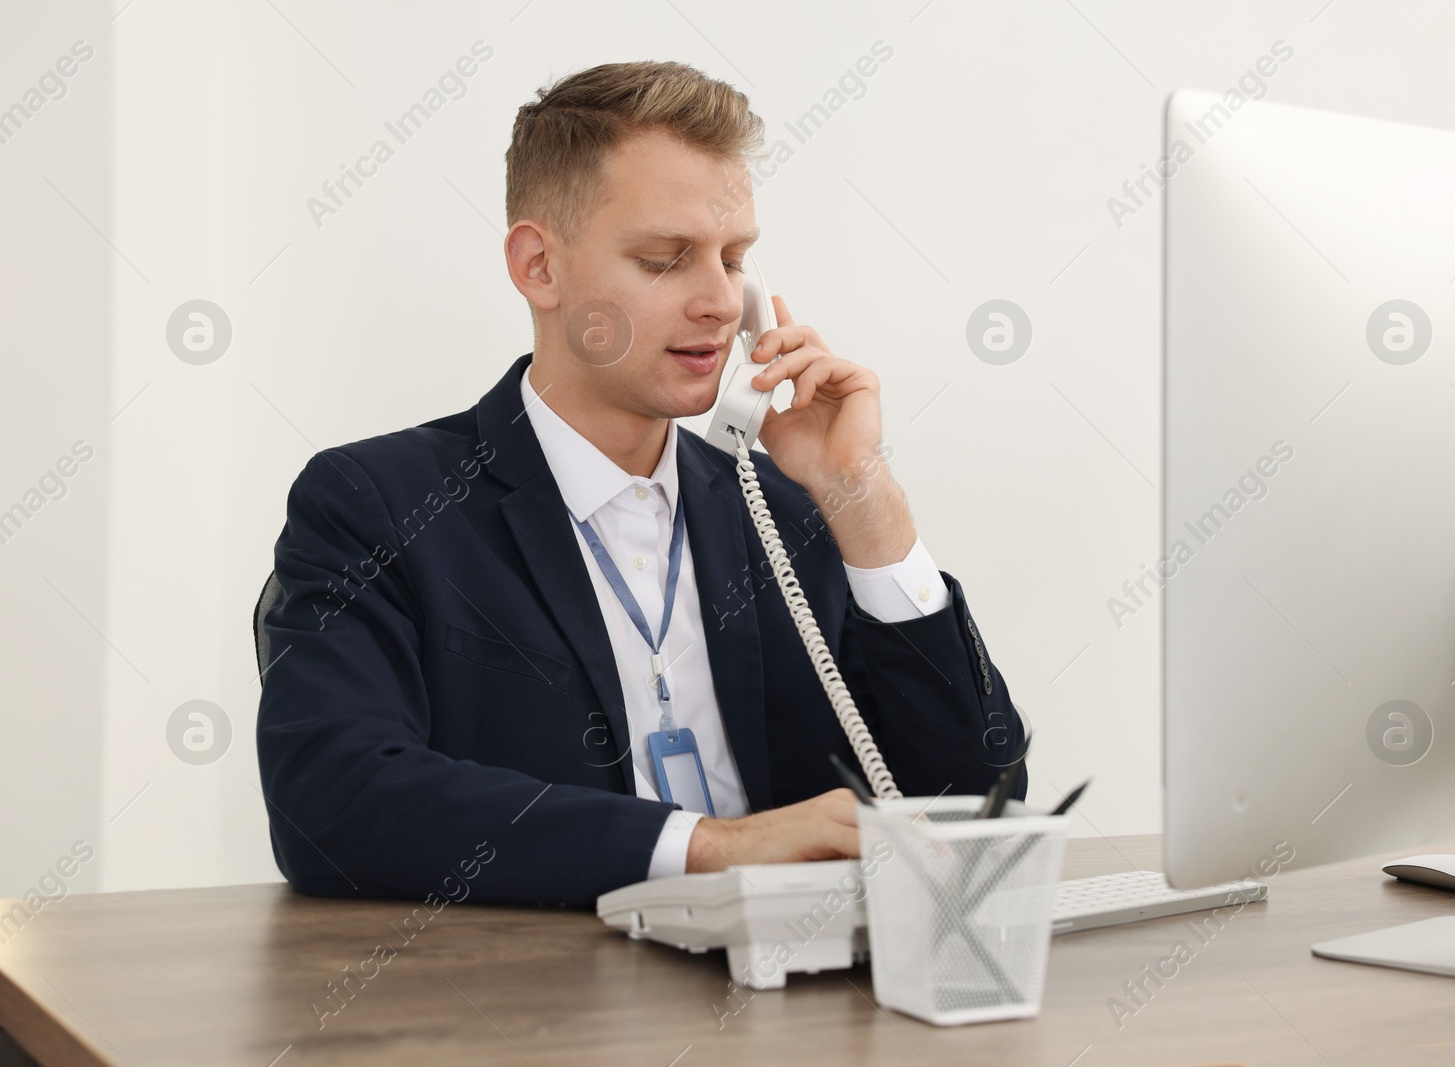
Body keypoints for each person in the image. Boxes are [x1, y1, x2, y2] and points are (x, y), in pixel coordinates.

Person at [255, 60, 1025, 907]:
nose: (721, 303)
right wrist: (710, 848)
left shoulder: (789, 511)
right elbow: (333, 799)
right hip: (535, 1012)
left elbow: (978, 801)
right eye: (666, 260)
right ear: (539, 267)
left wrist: (862, 497)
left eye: (734, 261)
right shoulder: (377, 504)